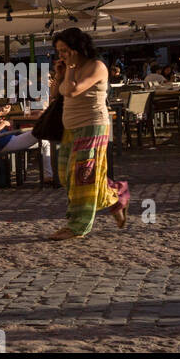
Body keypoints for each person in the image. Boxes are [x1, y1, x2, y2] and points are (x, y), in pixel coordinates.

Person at [50, 27, 128, 240]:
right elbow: (56, 94)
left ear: (78, 48)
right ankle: (116, 197)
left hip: (92, 126)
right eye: (59, 51)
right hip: (71, 127)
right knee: (66, 174)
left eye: (65, 50)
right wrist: (60, 75)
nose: (61, 55)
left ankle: (77, 226)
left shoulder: (97, 67)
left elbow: (73, 91)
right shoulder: (68, 69)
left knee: (83, 177)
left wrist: (72, 69)